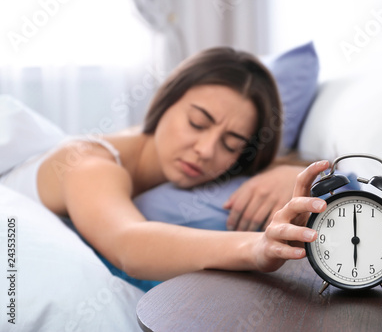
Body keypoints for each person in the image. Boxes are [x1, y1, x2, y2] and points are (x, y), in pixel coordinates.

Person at [1, 47, 327, 286]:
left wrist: (286, 174)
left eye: (230, 144)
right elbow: (128, 243)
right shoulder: (89, 165)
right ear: (166, 101)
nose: (205, 150)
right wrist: (256, 247)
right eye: (197, 123)